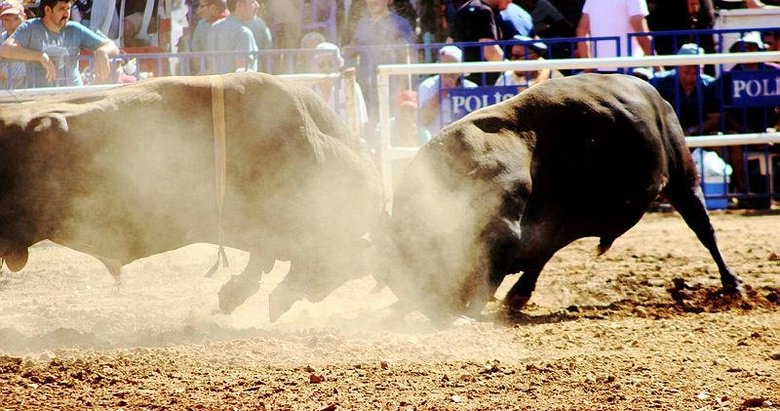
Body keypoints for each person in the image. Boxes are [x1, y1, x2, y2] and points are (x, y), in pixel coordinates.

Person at [0, 0, 119, 88]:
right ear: (47, 10)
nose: (67, 14)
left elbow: (112, 47)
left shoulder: (75, 29)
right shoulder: (30, 27)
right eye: (62, 9)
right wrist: (39, 56)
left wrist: (102, 51)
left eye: (68, 8)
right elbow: (5, 49)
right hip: (39, 98)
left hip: (73, 94)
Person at [349, 0, 415, 124]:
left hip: (391, 87)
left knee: (390, 125)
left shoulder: (400, 24)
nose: (373, 1)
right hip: (367, 88)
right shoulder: (362, 24)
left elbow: (407, 56)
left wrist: (402, 86)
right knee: (368, 125)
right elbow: (353, 49)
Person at [651, 43, 722, 136]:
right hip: (665, 135)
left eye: (696, 66)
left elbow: (715, 118)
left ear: (703, 66)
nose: (692, 70)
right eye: (688, 66)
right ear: (677, 66)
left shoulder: (710, 85)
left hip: (700, 136)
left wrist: (690, 131)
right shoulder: (659, 82)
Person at [311, 41, 368, 137]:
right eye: (321, 64)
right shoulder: (309, 88)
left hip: (345, 143)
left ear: (339, 65)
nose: (326, 68)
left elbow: (360, 124)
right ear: (314, 67)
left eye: (331, 64)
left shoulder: (351, 87)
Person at [417, 45, 477, 135]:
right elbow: (423, 121)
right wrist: (438, 97)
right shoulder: (427, 86)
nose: (449, 72)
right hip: (435, 141)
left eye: (453, 68)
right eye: (445, 67)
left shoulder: (471, 87)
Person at [575, 0, 654, 68]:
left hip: (599, 69)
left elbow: (581, 31)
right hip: (630, 69)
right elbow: (640, 32)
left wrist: (588, 70)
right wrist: (658, 66)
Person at [452, 0, 511, 85]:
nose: (510, 1)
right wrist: (511, 68)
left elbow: (450, 41)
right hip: (484, 87)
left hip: (462, 82)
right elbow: (489, 50)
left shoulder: (463, 8)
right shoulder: (483, 11)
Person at [206, 0, 259, 73]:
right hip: (234, 83)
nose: (257, 6)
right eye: (253, 2)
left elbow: (210, 64)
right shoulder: (243, 32)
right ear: (239, 5)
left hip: (216, 82)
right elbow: (242, 70)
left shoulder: (215, 27)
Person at [495, 35, 562, 90]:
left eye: (516, 56)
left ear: (533, 57)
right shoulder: (507, 76)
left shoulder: (553, 75)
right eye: (511, 55)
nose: (512, 59)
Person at [190, 0, 228, 74]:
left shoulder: (235, 24)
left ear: (213, 8)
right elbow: (196, 54)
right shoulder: (201, 25)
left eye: (201, 6)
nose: (198, 11)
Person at [0, 0, 26, 88]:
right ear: (2, 21)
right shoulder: (1, 39)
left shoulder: (34, 39)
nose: (12, 24)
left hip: (30, 98)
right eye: (7, 20)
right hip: (4, 96)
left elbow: (16, 72)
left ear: (24, 17)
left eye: (16, 19)